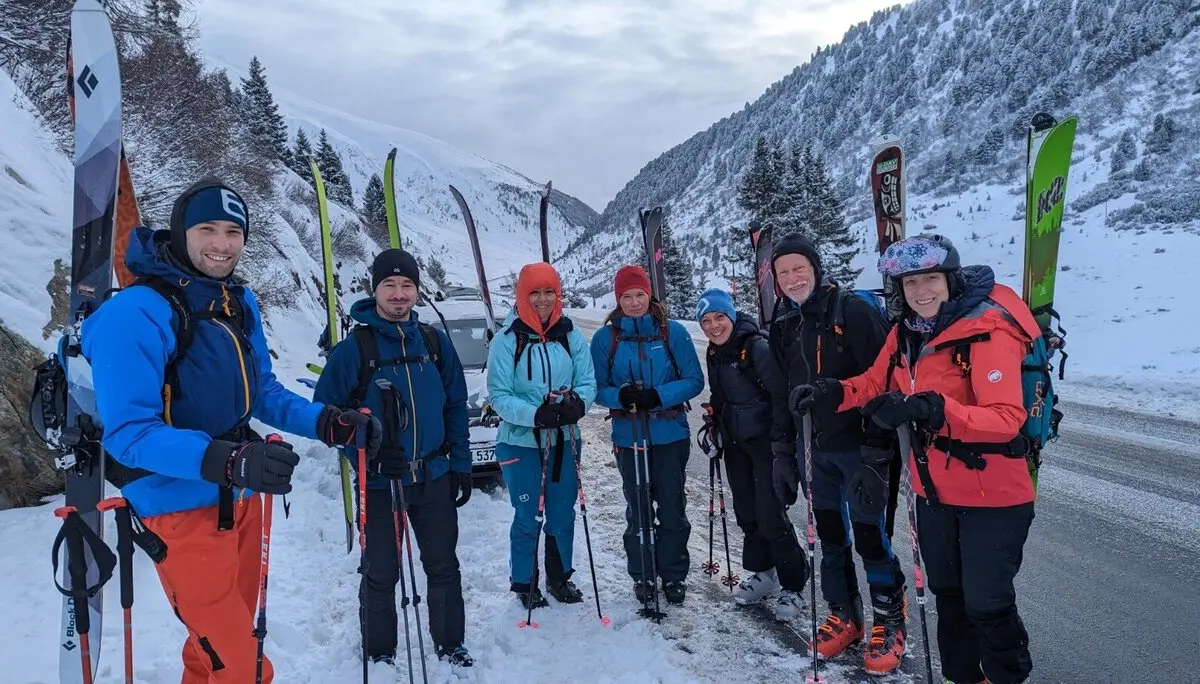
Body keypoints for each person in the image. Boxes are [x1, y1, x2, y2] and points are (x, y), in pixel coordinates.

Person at [81, 178, 381, 683]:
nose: (222, 245)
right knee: (241, 664)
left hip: (237, 497)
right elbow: (128, 433)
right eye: (207, 229)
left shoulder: (237, 303)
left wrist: (327, 421)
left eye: (233, 232)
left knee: (212, 657)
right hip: (176, 508)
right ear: (181, 231)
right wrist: (229, 459)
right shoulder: (134, 313)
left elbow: (262, 391)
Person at [793, 234, 1039, 684]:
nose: (921, 291)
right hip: (933, 492)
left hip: (996, 495)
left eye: (930, 279)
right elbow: (872, 381)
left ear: (951, 280)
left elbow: (1005, 419)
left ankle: (1007, 676)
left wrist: (934, 409)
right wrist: (833, 392)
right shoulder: (906, 334)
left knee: (986, 601)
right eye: (910, 283)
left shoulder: (987, 330)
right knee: (948, 596)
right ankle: (964, 677)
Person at [313, 248, 474, 668]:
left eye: (407, 286)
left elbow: (456, 405)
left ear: (418, 291)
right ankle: (380, 651)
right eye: (390, 285)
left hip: (434, 475)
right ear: (375, 289)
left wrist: (460, 465)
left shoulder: (436, 343)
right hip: (380, 482)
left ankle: (450, 644)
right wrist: (365, 454)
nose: (399, 294)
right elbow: (326, 415)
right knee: (382, 571)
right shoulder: (355, 349)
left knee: (442, 564)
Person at [766, 234, 908, 674]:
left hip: (860, 447)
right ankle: (844, 613)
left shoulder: (854, 312)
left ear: (816, 267)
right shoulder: (784, 324)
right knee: (829, 534)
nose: (792, 279)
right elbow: (781, 394)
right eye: (783, 272)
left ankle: (889, 615)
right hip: (815, 450)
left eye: (798, 268)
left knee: (868, 535)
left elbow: (888, 380)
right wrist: (782, 452)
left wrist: (878, 451)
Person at [590, 265, 704, 607]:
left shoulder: (673, 333)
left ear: (649, 295)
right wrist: (619, 397)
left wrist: (658, 396)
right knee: (637, 508)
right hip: (628, 437)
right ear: (618, 299)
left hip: (670, 434)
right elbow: (595, 388)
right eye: (627, 296)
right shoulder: (606, 338)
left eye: (640, 294)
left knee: (672, 507)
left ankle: (673, 575)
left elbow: (694, 380)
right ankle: (642, 575)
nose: (635, 302)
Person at [486, 262, 596, 609]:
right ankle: (525, 582)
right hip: (520, 442)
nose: (543, 299)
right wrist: (535, 414)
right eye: (536, 292)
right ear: (523, 295)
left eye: (550, 291)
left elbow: (588, 381)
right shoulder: (507, 341)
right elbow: (499, 396)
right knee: (528, 513)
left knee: (562, 512)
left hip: (563, 439)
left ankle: (560, 577)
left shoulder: (570, 334)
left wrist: (577, 404)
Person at [695, 289, 810, 619]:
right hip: (735, 443)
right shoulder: (715, 352)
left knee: (771, 515)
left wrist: (781, 444)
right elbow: (719, 394)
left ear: (731, 315)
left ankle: (793, 584)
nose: (714, 326)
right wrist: (714, 420)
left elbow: (779, 394)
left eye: (719, 317)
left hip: (766, 443)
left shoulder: (756, 346)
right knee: (747, 512)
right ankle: (764, 574)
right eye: (706, 321)